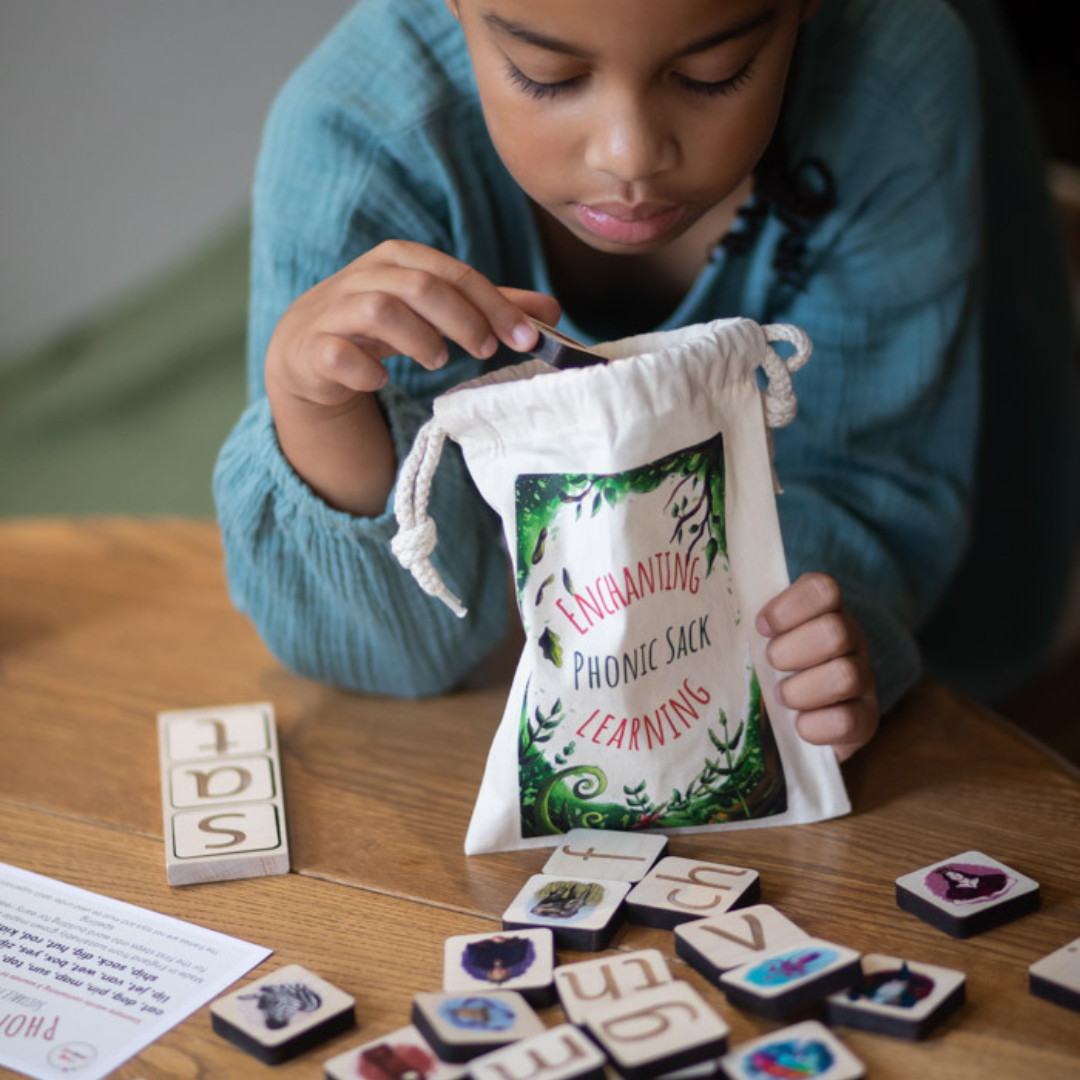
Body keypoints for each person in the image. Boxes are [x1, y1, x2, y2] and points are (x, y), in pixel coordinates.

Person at [214, 0, 1077, 761]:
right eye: (545, 75)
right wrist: (318, 413)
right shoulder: (355, 137)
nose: (630, 156)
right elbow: (389, 655)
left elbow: (878, 494)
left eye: (712, 72)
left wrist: (810, 638)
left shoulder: (894, 76)